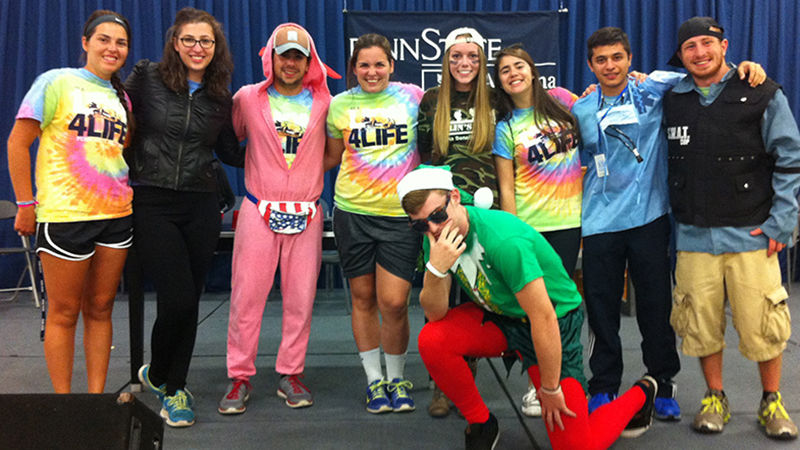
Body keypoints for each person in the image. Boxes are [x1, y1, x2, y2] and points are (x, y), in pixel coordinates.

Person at [572, 27, 769, 420]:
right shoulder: (581, 108)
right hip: (598, 224)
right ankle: (603, 386)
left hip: (650, 219)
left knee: (656, 308)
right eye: (601, 60)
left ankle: (662, 382)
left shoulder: (656, 89)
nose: (610, 66)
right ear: (591, 65)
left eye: (617, 57)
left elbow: (710, 75)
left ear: (630, 59)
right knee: (602, 310)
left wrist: (746, 67)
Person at [397, 166, 658, 450]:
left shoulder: (504, 241)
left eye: (437, 216)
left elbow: (543, 316)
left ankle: (642, 393)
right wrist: (435, 269)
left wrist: (549, 388)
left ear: (456, 197)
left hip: (553, 320)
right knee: (433, 339)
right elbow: (435, 314)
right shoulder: (436, 237)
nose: (433, 229)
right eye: (421, 225)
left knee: (576, 447)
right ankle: (481, 423)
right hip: (501, 316)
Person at [663, 17, 800, 440]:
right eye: (690, 47)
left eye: (707, 43)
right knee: (700, 325)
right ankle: (714, 396)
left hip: (751, 235)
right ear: (681, 55)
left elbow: (790, 160)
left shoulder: (761, 91)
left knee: (764, 324)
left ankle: (771, 400)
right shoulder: (670, 98)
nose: (700, 53)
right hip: (693, 237)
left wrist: (783, 222)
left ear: (725, 45)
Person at [124, 7, 241, 427]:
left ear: (216, 48)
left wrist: (285, 151)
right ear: (175, 42)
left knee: (189, 299)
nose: (197, 47)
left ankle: (174, 387)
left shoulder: (219, 97)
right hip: (152, 201)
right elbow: (114, 118)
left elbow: (230, 152)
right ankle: (158, 372)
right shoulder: (146, 78)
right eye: (189, 39)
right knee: (175, 297)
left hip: (200, 203)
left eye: (206, 41)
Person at [6, 10, 133, 394]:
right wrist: (25, 203)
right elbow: (17, 143)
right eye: (104, 39)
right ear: (85, 43)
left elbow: (118, 152)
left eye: (121, 42)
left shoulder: (122, 96)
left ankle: (95, 400)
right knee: (63, 312)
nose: (112, 48)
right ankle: (64, 404)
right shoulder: (56, 82)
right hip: (64, 216)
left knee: (101, 309)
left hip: (116, 215)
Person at [218, 23, 334, 416]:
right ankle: (239, 376)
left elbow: (333, 151)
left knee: (301, 298)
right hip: (258, 208)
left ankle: (291, 372)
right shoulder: (248, 98)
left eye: (298, 56)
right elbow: (227, 140)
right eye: (283, 54)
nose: (290, 63)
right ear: (271, 56)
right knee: (247, 296)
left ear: (309, 61)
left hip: (307, 211)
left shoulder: (324, 101)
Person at [324, 33, 423, 414]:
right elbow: (331, 158)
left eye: (379, 64)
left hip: (400, 216)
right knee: (363, 299)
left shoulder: (412, 96)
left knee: (395, 302)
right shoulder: (339, 105)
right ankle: (375, 382)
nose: (371, 71)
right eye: (363, 65)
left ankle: (397, 378)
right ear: (354, 69)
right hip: (352, 212)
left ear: (392, 65)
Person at [416, 27, 502, 418]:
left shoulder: (496, 98)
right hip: (442, 214)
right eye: (456, 56)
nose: (463, 63)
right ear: (446, 60)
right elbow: (425, 156)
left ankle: (465, 378)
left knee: (475, 297)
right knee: (441, 291)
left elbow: (540, 102)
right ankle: (441, 384)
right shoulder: (432, 101)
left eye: (471, 56)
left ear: (481, 60)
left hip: (483, 215)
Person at [491, 44, 581, 416]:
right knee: (535, 310)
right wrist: (515, 233)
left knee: (562, 307)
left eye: (519, 66)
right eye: (505, 70)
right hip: (531, 227)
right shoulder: (506, 127)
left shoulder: (562, 102)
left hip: (570, 222)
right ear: (499, 82)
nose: (513, 73)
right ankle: (536, 385)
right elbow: (506, 186)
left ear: (532, 69)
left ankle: (566, 382)